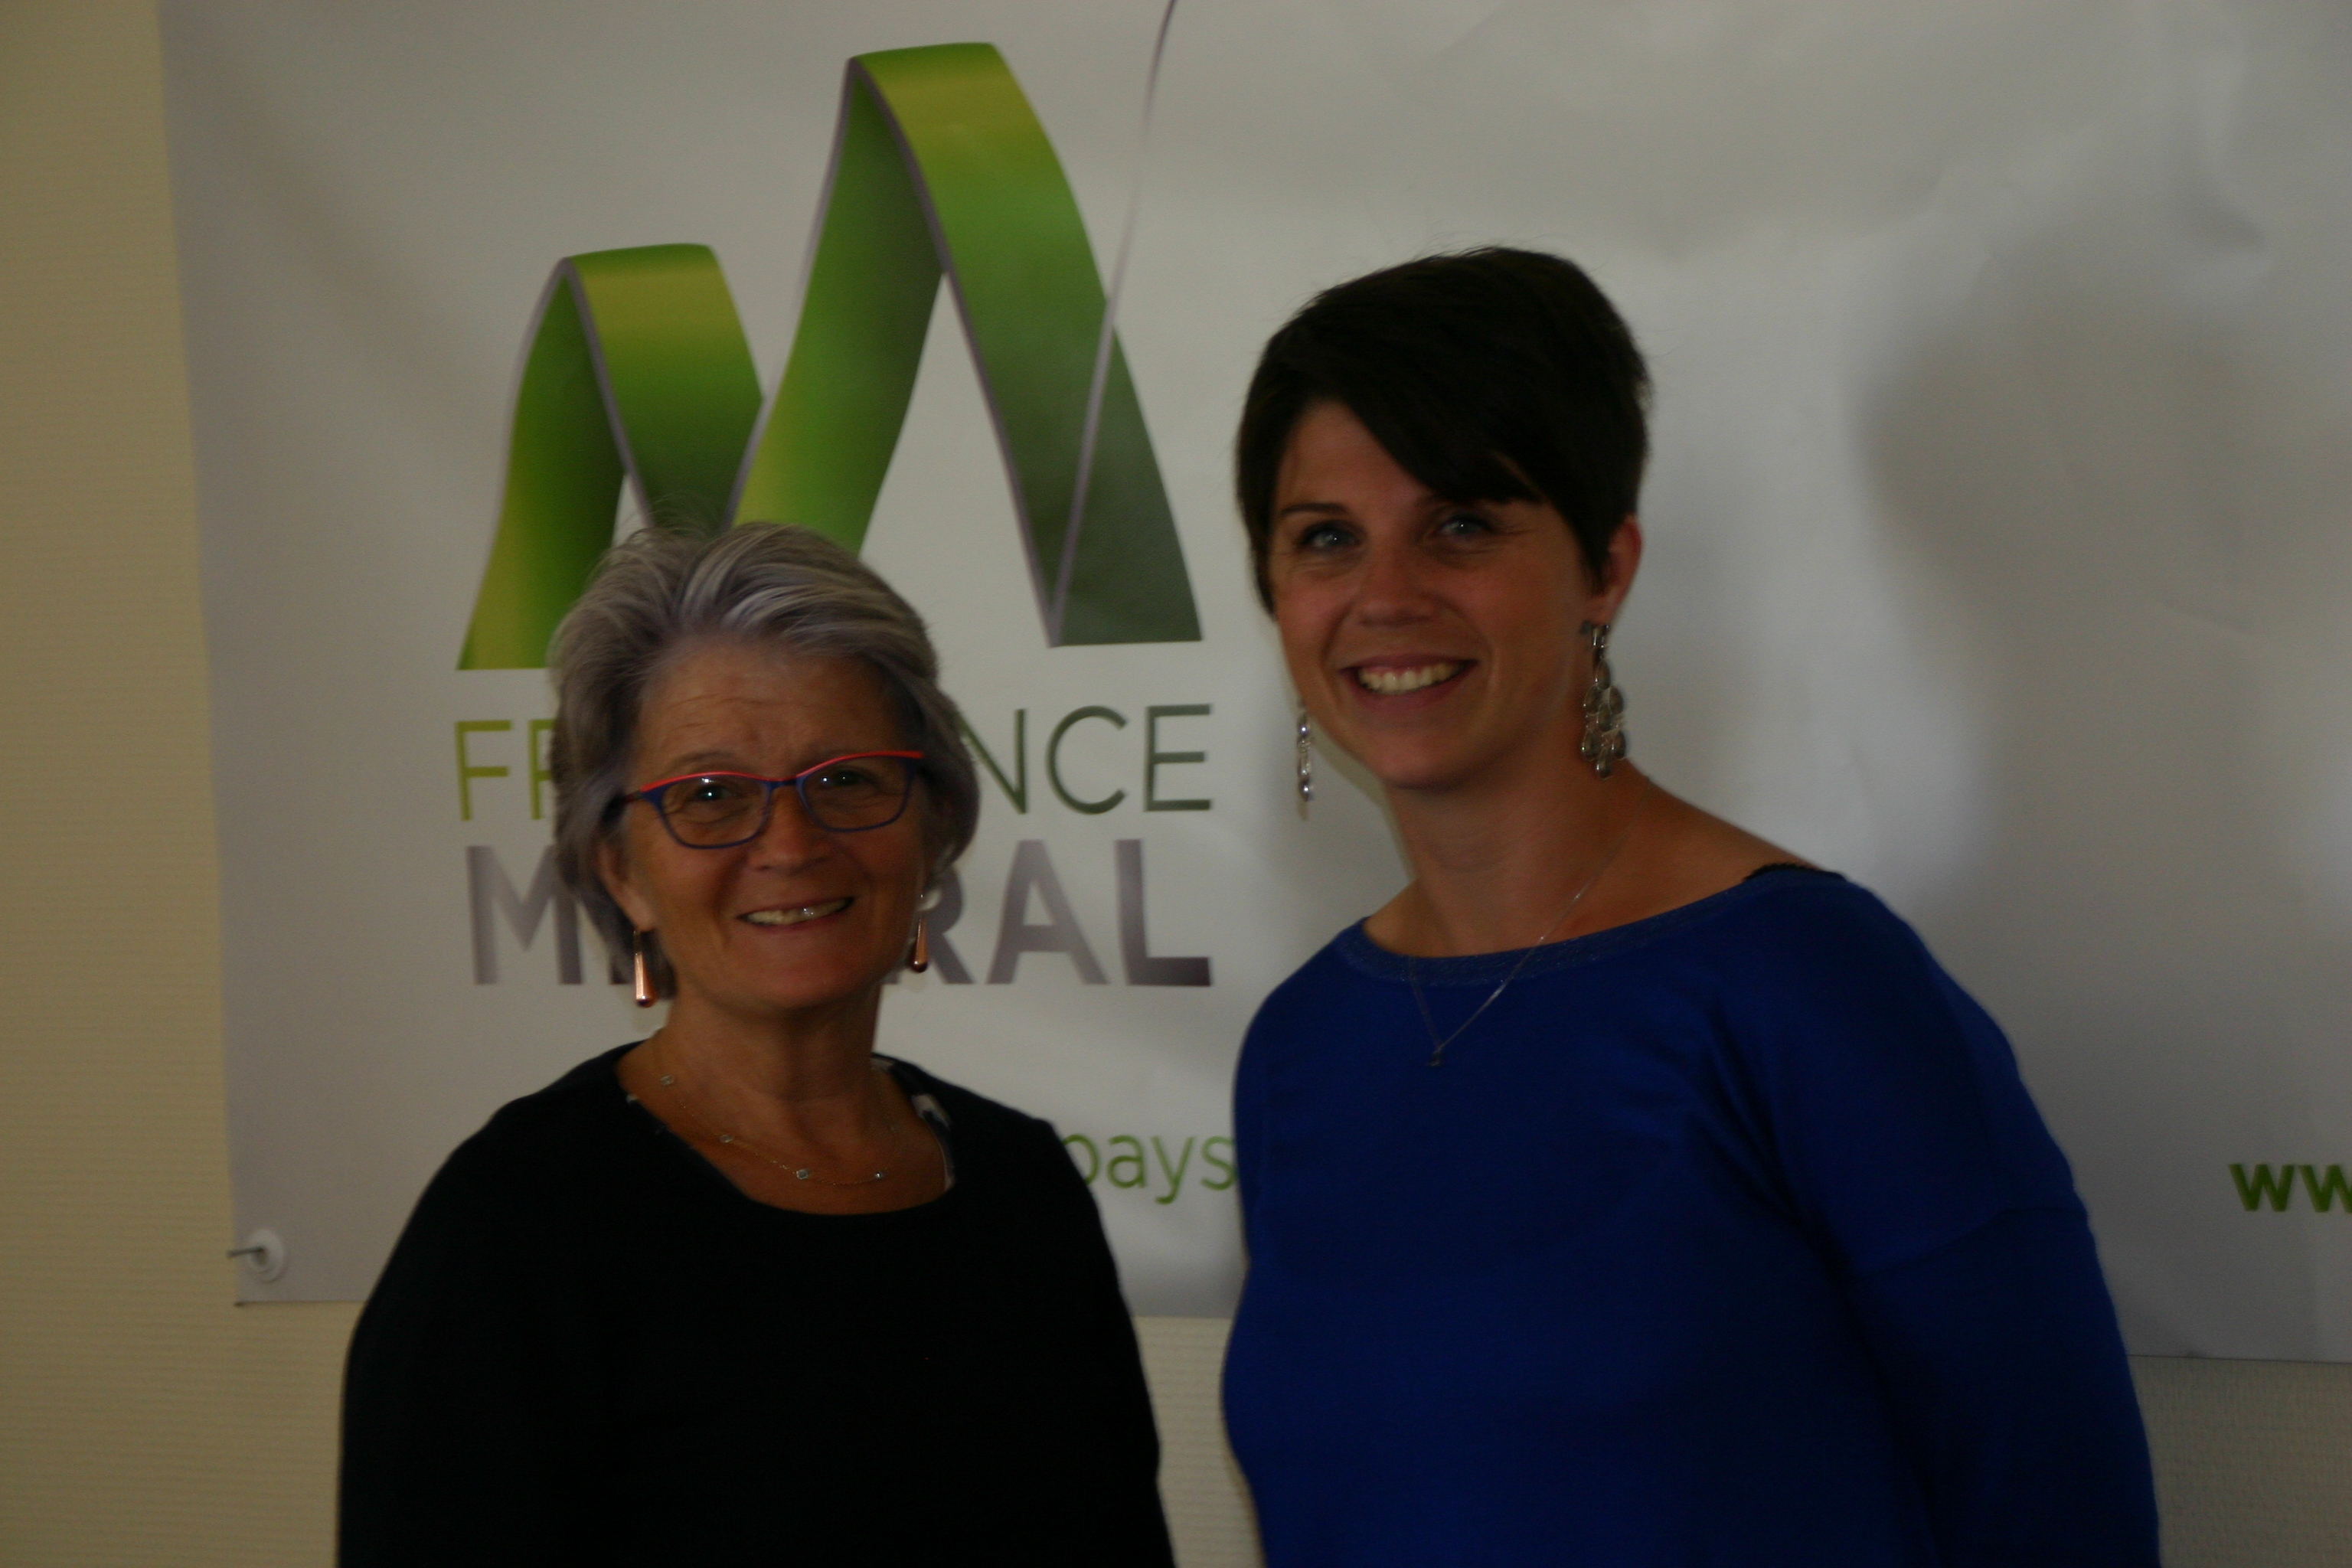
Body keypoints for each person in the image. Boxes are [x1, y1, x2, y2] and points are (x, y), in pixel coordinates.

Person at [1218, 249, 2158, 1566]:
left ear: (1607, 567)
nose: (1385, 596)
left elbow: (2058, 1516)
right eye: (1326, 537)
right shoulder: (1299, 1047)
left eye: (1463, 524)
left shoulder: (1811, 985)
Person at [340, 524, 1174, 1566]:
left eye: (847, 779)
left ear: (930, 829)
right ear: (623, 871)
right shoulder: (517, 1227)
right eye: (710, 796)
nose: (790, 843)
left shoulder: (1023, 1186)